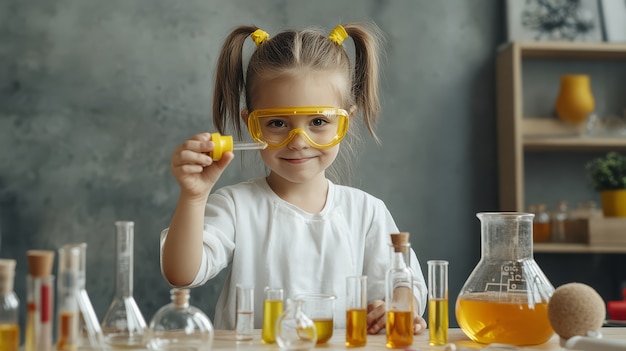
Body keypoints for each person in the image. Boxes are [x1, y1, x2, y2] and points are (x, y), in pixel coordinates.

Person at [160, 22, 427, 334]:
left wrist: (398, 307)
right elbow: (181, 274)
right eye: (276, 122)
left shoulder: (366, 212)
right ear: (251, 124)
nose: (298, 141)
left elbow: (405, 285)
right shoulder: (236, 206)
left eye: (317, 121)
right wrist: (193, 197)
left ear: (346, 122)